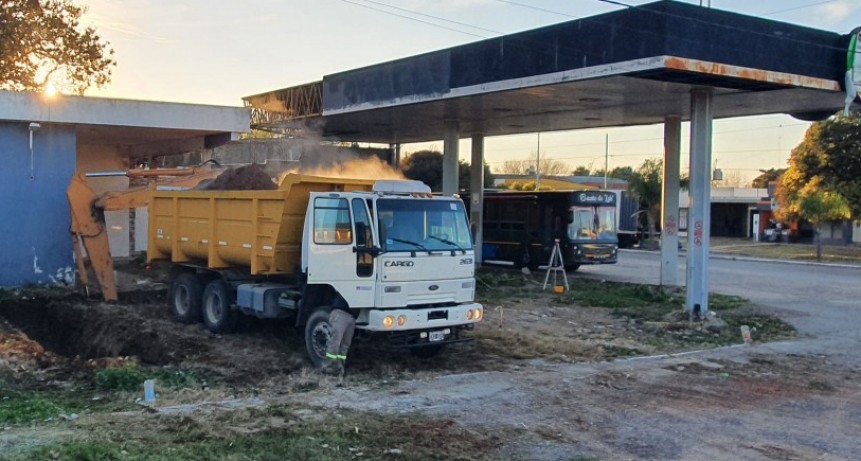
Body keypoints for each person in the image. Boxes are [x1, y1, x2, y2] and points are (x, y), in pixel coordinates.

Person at [322, 305, 356, 377]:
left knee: (345, 345)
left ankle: (339, 369)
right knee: (335, 343)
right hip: (341, 313)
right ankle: (328, 368)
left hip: (352, 316)